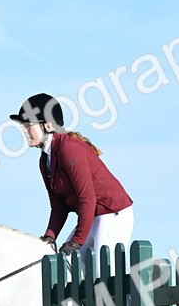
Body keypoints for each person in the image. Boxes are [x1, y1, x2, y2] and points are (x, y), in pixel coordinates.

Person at [9, 93, 134, 256]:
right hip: (93, 215)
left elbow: (87, 197)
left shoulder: (68, 149)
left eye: (28, 125)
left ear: (47, 125)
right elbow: (58, 207)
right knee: (68, 266)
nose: (25, 131)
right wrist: (49, 236)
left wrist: (77, 241)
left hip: (112, 212)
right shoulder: (45, 159)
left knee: (99, 271)